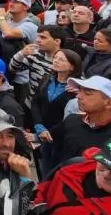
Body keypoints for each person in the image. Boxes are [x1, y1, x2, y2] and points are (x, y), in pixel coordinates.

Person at [48, 76, 111, 170]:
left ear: (109, 103)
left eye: (87, 93)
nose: (78, 96)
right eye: (80, 90)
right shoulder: (71, 120)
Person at [31, 49, 83, 178]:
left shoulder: (77, 88)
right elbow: (35, 102)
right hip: (43, 133)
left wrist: (49, 132)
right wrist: (39, 127)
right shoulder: (46, 78)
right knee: (43, 171)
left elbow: (71, 117)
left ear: (72, 66)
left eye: (61, 59)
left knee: (57, 173)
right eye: (55, 57)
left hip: (61, 136)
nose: (56, 61)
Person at [8, 25, 63, 106]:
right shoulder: (35, 54)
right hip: (30, 105)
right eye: (38, 37)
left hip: (52, 109)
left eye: (43, 37)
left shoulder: (67, 59)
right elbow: (12, 69)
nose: (37, 40)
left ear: (57, 41)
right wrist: (21, 54)